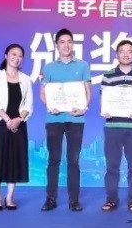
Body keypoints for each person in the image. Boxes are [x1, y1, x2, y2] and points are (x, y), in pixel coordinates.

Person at [39, 28, 92, 212]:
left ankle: (74, 200)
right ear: (57, 45)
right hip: (54, 118)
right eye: (62, 42)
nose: (66, 45)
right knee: (53, 159)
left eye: (69, 41)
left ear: (73, 44)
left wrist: (83, 108)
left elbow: (88, 92)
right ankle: (51, 199)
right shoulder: (49, 68)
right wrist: (50, 105)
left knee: (73, 160)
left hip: (76, 119)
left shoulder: (83, 66)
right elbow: (43, 93)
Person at [100, 39, 132, 212]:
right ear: (117, 54)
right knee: (112, 166)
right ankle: (111, 199)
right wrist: (106, 110)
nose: (126, 54)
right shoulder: (108, 75)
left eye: (129, 51)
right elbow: (104, 99)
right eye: (122, 51)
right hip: (112, 126)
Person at [0, 44, 33, 210]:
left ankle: (10, 197)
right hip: (0, 123)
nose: (16, 58)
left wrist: (18, 119)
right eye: (13, 54)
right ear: (6, 56)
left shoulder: (25, 79)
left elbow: (28, 105)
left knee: (15, 159)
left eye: (20, 56)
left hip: (19, 125)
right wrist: (8, 120)